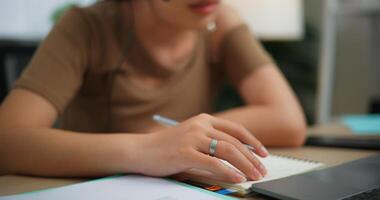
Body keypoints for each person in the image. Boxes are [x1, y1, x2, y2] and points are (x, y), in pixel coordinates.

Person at [0, 0, 306, 183]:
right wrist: (146, 148)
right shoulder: (86, 28)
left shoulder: (218, 19)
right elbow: (7, 141)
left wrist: (189, 135)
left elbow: (289, 120)